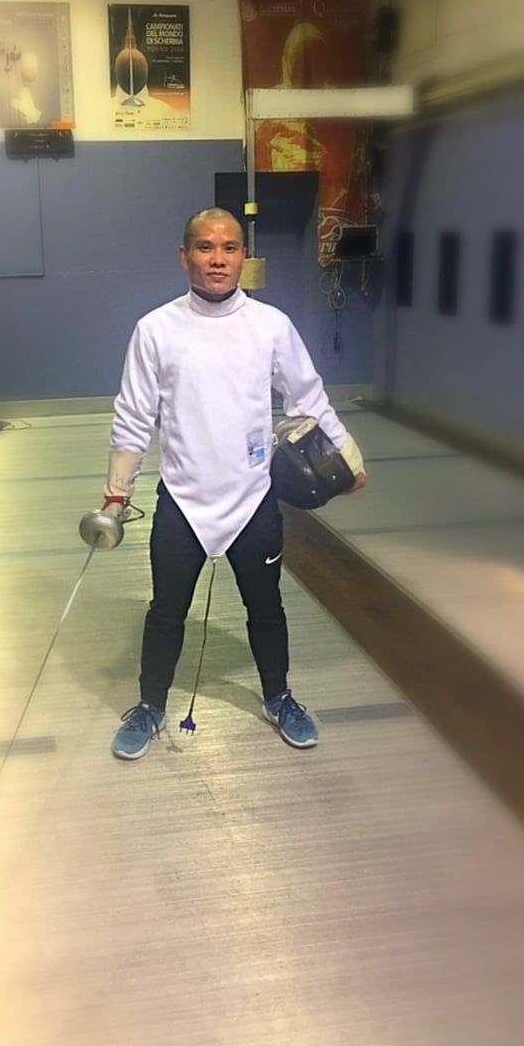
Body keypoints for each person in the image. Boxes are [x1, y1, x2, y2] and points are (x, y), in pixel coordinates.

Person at [101, 207, 365, 760]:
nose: (217, 259)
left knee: (266, 608)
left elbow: (308, 397)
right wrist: (116, 493)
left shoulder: (270, 326)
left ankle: (279, 697)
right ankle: (149, 705)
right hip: (183, 500)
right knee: (165, 611)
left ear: (244, 256)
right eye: (205, 247)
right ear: (185, 256)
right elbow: (133, 415)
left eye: (228, 248)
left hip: (251, 498)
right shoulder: (156, 329)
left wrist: (347, 457)